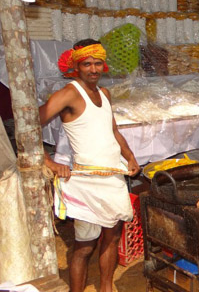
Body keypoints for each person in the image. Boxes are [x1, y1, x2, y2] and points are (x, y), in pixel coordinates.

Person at [39, 39, 140, 292]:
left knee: (112, 237)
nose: (93, 69)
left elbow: (113, 130)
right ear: (76, 65)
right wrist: (48, 161)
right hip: (85, 182)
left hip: (111, 177)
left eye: (97, 63)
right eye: (87, 64)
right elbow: (28, 124)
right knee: (85, 246)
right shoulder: (69, 93)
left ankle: (106, 287)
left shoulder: (104, 94)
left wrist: (129, 156)